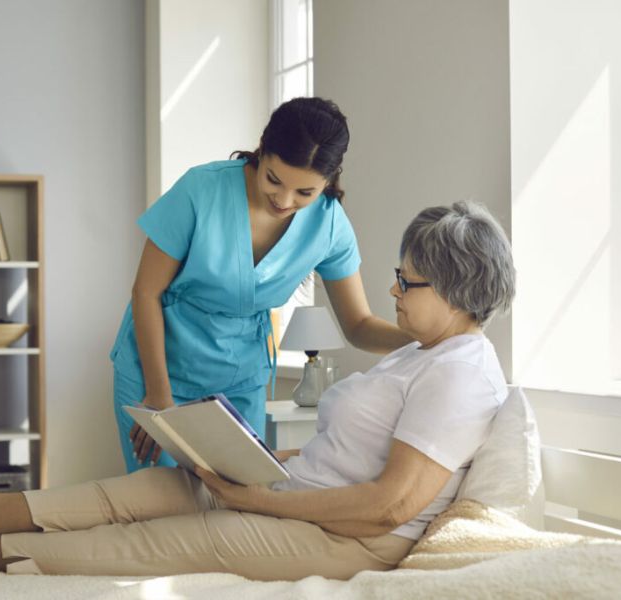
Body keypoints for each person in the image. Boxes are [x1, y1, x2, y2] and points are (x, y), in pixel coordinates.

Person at [0, 201, 515, 580]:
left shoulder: (461, 374)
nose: (394, 290)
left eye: (408, 281)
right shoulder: (419, 353)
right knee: (158, 487)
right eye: (398, 275)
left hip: (349, 540)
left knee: (152, 541)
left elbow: (388, 508)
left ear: (456, 290)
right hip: (299, 494)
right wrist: (255, 462)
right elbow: (352, 454)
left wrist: (261, 502)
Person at [112, 96, 413, 472]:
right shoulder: (200, 190)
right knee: (158, 497)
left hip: (240, 381)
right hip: (156, 372)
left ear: (329, 180)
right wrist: (159, 395)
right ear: (262, 150)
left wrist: (425, 339)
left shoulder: (330, 226)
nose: (284, 200)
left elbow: (358, 325)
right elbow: (145, 292)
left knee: (241, 496)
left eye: (305, 193)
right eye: (274, 179)